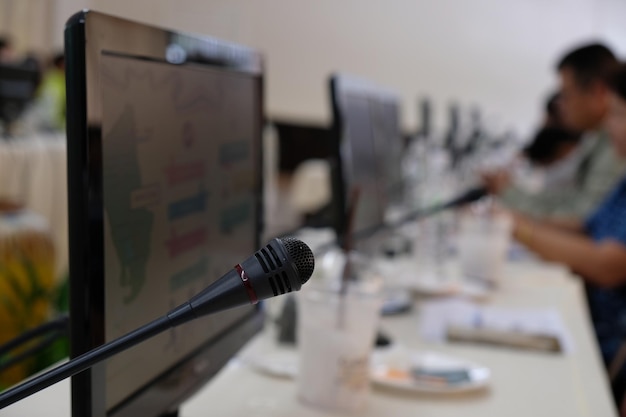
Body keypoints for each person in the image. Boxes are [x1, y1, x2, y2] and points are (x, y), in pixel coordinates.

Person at [508, 62, 626, 407]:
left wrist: (522, 230)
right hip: (587, 330)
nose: (609, 124)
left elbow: (611, 264)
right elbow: (585, 224)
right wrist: (515, 218)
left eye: (618, 114)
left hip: (602, 348)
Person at [483, 43, 624, 222]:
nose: (563, 106)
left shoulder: (616, 144)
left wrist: (515, 220)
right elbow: (571, 199)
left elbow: (585, 219)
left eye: (566, 94)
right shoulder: (597, 137)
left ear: (598, 91)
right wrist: (510, 194)